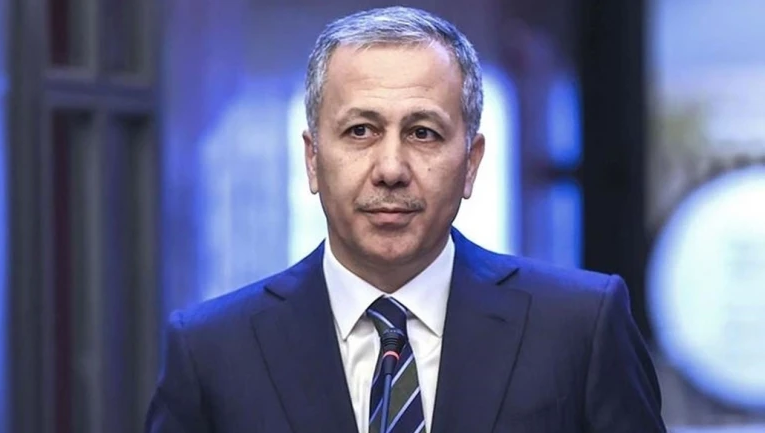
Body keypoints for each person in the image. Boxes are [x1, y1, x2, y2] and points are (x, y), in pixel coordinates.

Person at [145, 6, 666, 433]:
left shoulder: (579, 329)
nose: (391, 169)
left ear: (471, 163)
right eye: (360, 131)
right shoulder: (212, 352)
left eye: (422, 133)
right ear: (312, 159)